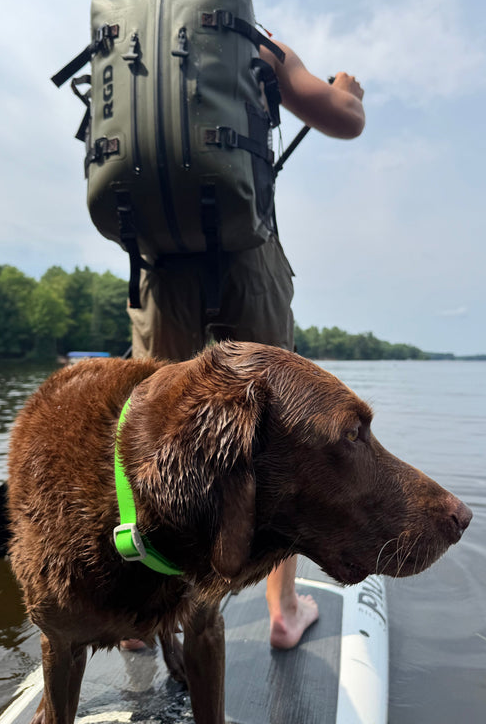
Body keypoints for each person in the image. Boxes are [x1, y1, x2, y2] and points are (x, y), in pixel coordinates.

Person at [125, 38, 365, 651]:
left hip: (159, 264)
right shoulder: (255, 40)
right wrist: (346, 90)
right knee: (282, 429)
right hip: (248, 257)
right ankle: (282, 609)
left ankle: (134, 621)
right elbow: (343, 121)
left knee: (152, 420)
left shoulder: (131, 47)